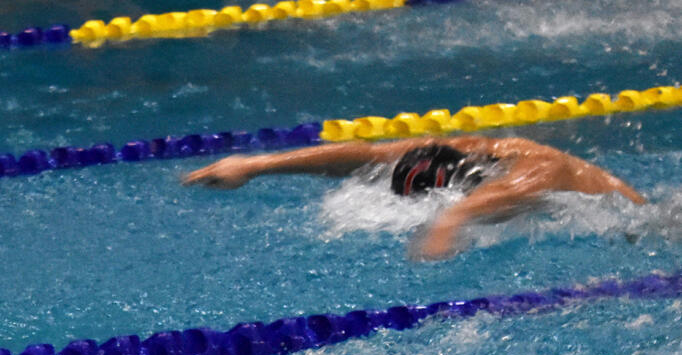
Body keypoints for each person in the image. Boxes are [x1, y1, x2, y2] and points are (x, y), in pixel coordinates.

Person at [181, 135, 647, 260]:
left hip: (643, 231)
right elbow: (366, 155)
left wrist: (449, 222)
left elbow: (507, 193)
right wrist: (257, 166)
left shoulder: (539, 168)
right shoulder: (472, 147)